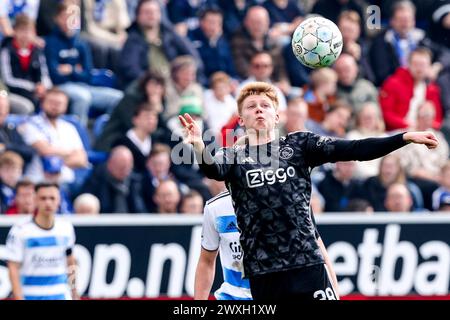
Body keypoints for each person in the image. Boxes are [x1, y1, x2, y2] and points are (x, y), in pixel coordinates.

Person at [180, 81, 438, 300]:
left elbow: (355, 149)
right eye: (251, 106)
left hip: (307, 264)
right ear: (241, 118)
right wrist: (199, 147)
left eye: (265, 106)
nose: (259, 110)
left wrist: (403, 137)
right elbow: (213, 170)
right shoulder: (233, 156)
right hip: (263, 271)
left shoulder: (300, 144)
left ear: (277, 115)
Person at [194, 190, 339, 300]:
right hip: (235, 297)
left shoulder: (290, 197)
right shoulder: (215, 208)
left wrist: (334, 293)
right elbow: (206, 261)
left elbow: (318, 251)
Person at [4, 182, 78, 300]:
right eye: (43, 198)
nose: (48, 202)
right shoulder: (20, 230)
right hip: (31, 295)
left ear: (58, 200)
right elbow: (13, 268)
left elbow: (70, 262)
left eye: (52, 198)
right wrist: (19, 297)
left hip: (60, 295)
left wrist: (74, 292)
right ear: (35, 200)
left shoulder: (66, 228)